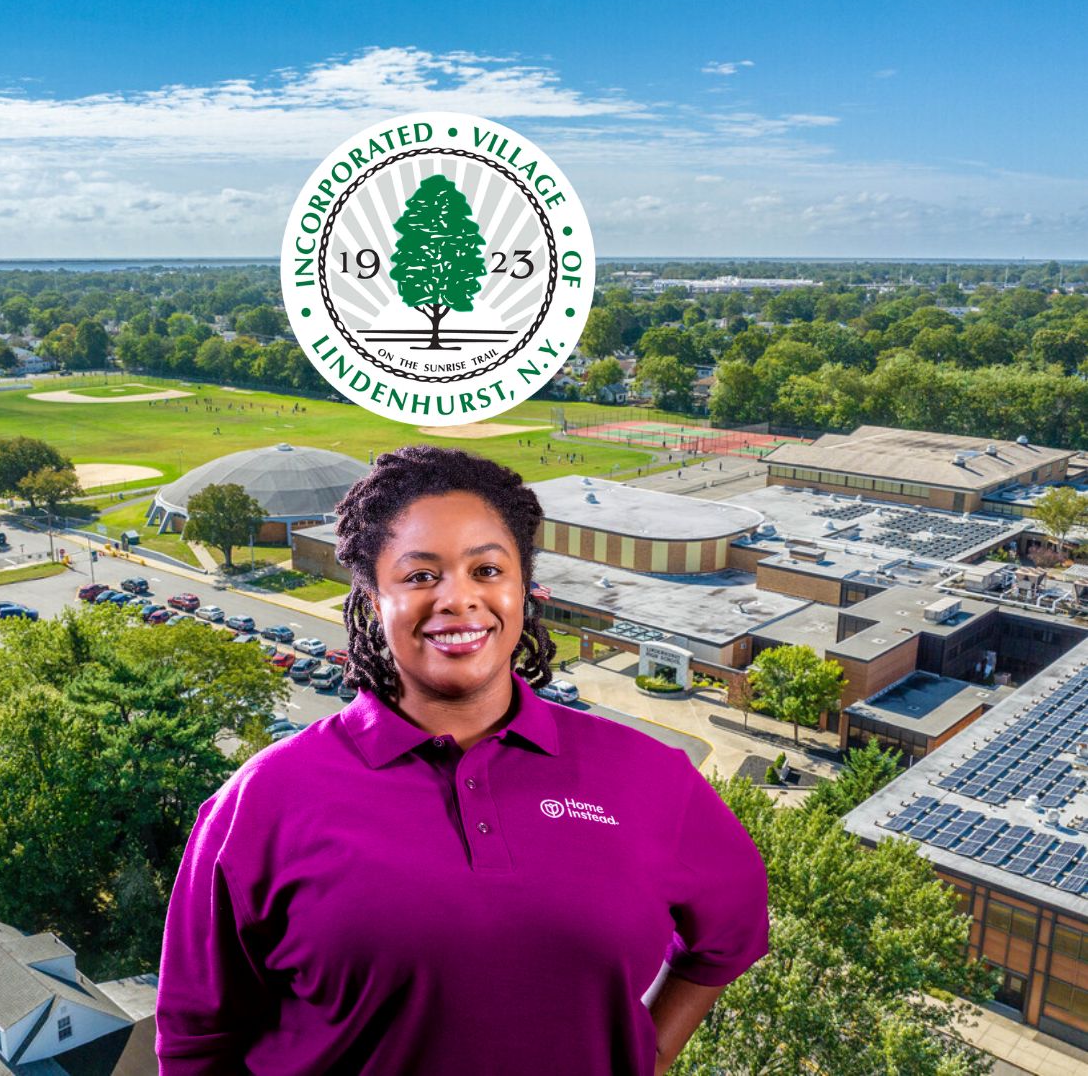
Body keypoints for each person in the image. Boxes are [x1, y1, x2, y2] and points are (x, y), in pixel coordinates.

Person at [156, 445, 769, 1075]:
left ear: (523, 587)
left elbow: (731, 932)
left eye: (487, 570)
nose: (458, 599)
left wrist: (647, 1053)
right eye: (421, 576)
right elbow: (198, 1037)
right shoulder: (262, 800)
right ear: (372, 599)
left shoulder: (648, 777)